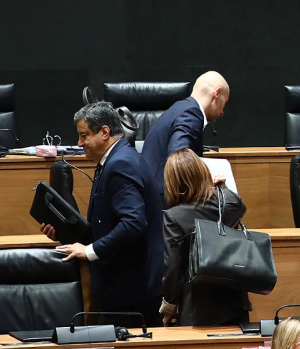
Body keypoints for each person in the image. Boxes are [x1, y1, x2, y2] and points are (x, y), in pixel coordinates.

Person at [42, 102, 164, 327]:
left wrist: (90, 251)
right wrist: (66, 234)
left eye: (83, 135)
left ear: (105, 132)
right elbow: (107, 223)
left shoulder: (121, 164)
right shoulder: (117, 159)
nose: (79, 143)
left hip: (131, 291)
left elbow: (133, 224)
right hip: (128, 288)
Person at [158, 148, 250, 327]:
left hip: (198, 307)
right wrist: (222, 189)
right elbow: (239, 205)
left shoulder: (174, 216)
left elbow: (173, 267)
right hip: (234, 302)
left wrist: (169, 304)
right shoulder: (228, 204)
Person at [140, 70, 230, 198]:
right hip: (165, 202)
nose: (222, 112)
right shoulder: (192, 113)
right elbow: (178, 158)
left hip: (152, 195)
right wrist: (206, 182)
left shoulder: (179, 108)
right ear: (217, 93)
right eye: (224, 103)